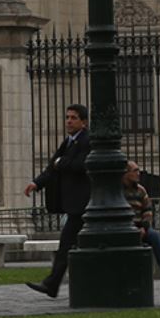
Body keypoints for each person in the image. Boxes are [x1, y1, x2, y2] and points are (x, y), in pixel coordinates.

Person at [24, 104, 91, 298]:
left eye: (74, 118)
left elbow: (83, 165)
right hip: (74, 205)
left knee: (67, 245)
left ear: (84, 122)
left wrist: (62, 163)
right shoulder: (68, 142)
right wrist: (36, 183)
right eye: (67, 117)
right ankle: (54, 284)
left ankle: (52, 284)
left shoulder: (87, 141)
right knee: (70, 246)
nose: (69, 121)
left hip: (83, 204)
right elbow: (52, 168)